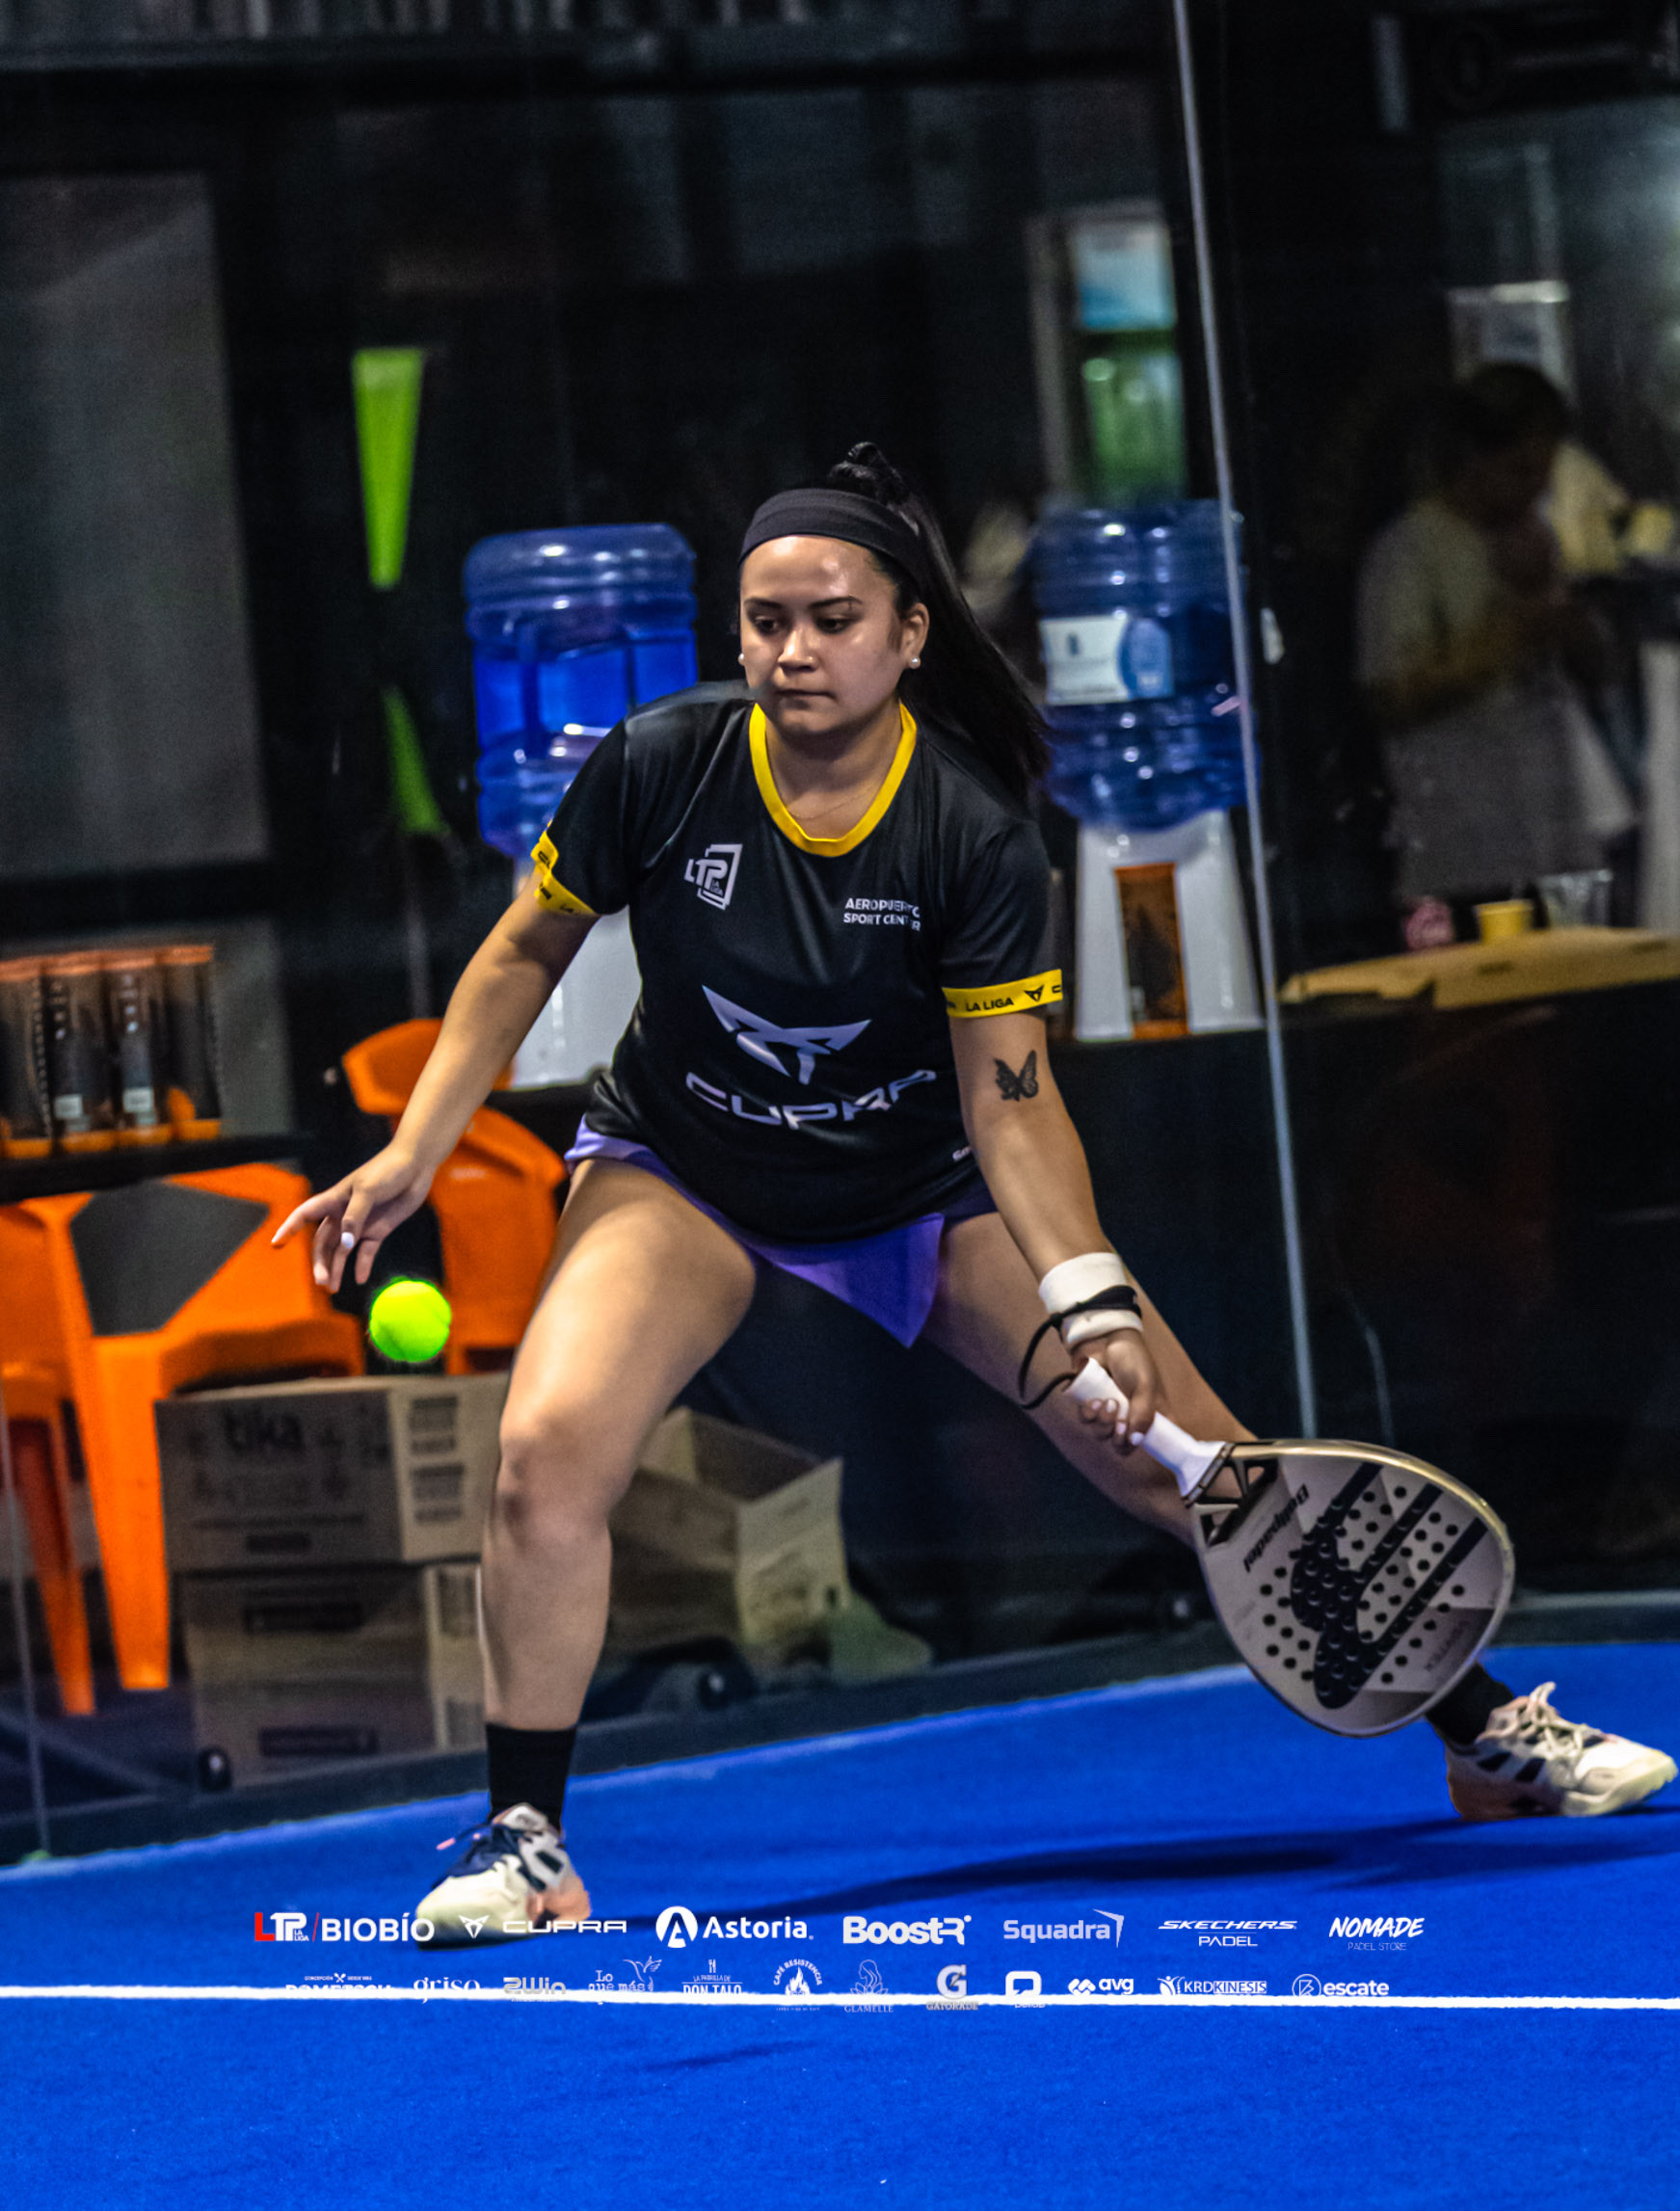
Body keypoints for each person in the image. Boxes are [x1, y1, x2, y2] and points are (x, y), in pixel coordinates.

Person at [278, 443, 1673, 1943]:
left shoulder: (967, 834)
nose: (791, 650)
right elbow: (520, 951)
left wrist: (1083, 1293)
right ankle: (527, 1846)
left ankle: (1482, 1732)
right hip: (689, 1168)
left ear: (907, 633)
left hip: (924, 1195)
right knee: (542, 1454)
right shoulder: (661, 764)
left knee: (1193, 1467)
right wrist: (412, 1149)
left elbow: (1010, 1102)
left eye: (828, 619)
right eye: (763, 620)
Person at [1356, 363, 1634, 941]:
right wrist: (1516, 628)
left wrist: (1571, 626)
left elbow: (1598, 676)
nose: (1536, 489)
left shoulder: (1534, 540)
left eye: (1544, 472)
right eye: (1520, 470)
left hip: (1556, 846)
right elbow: (1393, 695)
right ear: (1472, 458)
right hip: (1459, 860)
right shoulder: (1410, 551)